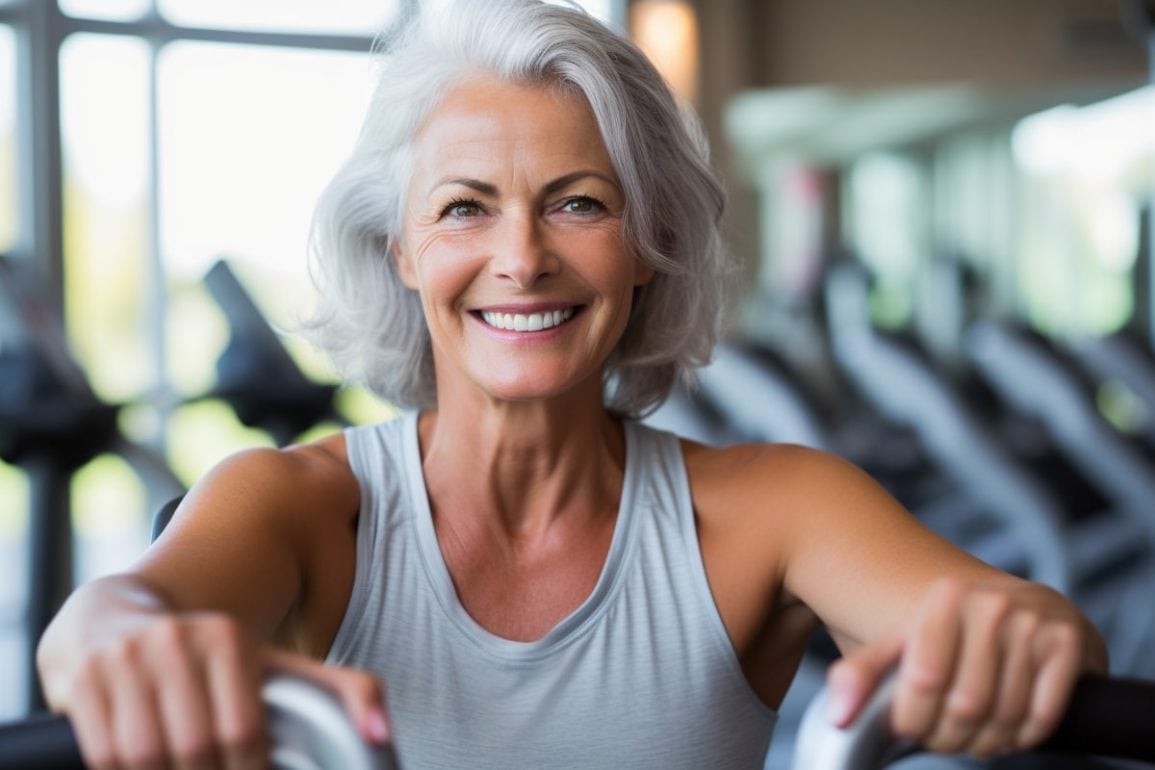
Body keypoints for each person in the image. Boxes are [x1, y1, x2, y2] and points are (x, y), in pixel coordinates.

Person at [37, 0, 1107, 767]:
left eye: (578, 203)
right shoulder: (299, 504)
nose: (521, 258)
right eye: (464, 208)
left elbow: (1011, 618)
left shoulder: (773, 508)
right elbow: (114, 613)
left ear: (649, 244)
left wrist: (1022, 633)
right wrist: (117, 640)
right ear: (401, 249)